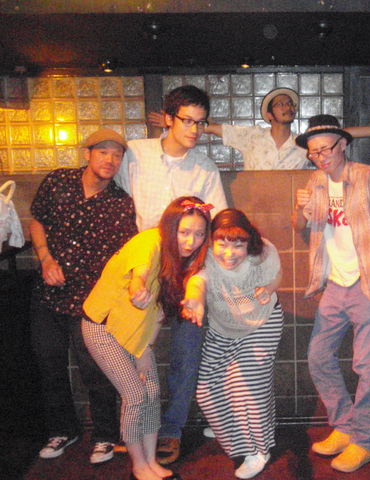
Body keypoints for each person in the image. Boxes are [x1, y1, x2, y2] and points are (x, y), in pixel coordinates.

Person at [116, 84, 228, 464]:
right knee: (134, 349)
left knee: (186, 350)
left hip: (186, 269)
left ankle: (172, 429)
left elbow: (214, 223)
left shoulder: (205, 167)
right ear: (167, 119)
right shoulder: (136, 153)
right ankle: (137, 428)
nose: (195, 130)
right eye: (187, 121)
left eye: (201, 122)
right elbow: (116, 198)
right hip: (145, 265)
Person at [82, 196, 212, 480]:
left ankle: (151, 462)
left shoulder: (183, 260)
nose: (191, 241)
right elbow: (140, 271)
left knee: (152, 393)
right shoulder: (150, 241)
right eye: (184, 232)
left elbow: (159, 313)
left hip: (138, 334)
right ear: (171, 226)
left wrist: (146, 349)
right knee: (135, 395)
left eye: (199, 234)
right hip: (103, 327)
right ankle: (139, 466)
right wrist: (138, 286)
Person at [30, 128, 137, 463]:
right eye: (103, 152)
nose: (110, 160)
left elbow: (125, 256)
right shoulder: (58, 182)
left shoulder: (121, 203)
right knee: (49, 363)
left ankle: (105, 435)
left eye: (117, 155)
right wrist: (45, 258)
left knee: (95, 368)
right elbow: (37, 220)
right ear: (88, 153)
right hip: (49, 292)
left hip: (91, 301)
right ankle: (62, 429)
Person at [291, 115, 370, 473]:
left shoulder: (367, 175)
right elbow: (300, 226)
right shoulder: (315, 181)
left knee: (368, 366)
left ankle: (364, 440)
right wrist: (300, 209)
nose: (320, 157)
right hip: (334, 283)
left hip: (366, 281)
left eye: (326, 149)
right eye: (314, 152)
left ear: (343, 144)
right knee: (318, 356)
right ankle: (344, 425)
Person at [181, 209, 283, 479]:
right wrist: (194, 299)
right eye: (222, 244)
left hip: (261, 324)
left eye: (238, 245)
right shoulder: (206, 258)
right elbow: (197, 281)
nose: (229, 253)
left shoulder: (264, 252)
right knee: (206, 390)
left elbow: (277, 275)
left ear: (249, 242)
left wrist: (269, 289)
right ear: (212, 241)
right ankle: (231, 427)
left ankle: (258, 450)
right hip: (223, 329)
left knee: (247, 388)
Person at [148, 87, 370, 170]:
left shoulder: (303, 143)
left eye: (290, 104)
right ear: (269, 115)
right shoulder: (251, 136)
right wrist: (176, 122)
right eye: (280, 104)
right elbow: (210, 127)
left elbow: (341, 134)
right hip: (256, 206)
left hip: (288, 207)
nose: (287, 107)